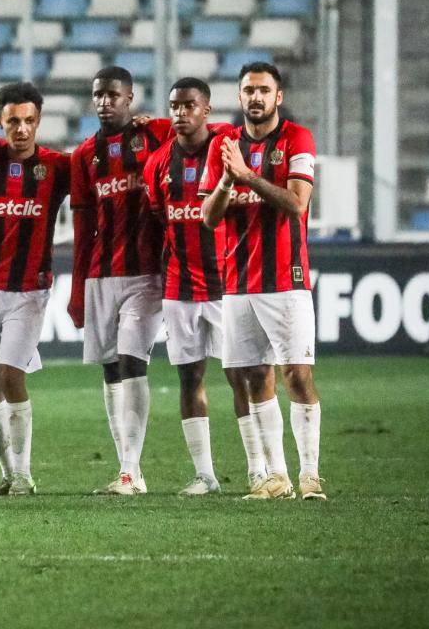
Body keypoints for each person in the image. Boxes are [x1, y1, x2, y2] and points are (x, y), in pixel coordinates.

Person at [200, 62, 326, 500]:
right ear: (239, 98)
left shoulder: (297, 139)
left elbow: (296, 203)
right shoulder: (224, 145)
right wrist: (223, 184)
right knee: (254, 377)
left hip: (286, 279)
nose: (255, 98)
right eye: (248, 91)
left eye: (264, 90)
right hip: (236, 282)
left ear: (278, 96)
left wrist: (249, 177)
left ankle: (309, 474)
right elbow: (207, 216)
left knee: (297, 375)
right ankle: (277, 477)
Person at [142, 78, 262, 496]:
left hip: (228, 283)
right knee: (189, 379)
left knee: (241, 375)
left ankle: (258, 469)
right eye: (174, 106)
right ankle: (205, 475)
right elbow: (160, 220)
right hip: (179, 286)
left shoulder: (228, 146)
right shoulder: (157, 163)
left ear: (206, 110)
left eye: (190, 105)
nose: (181, 113)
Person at [0, 82, 70, 495]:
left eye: (28, 121)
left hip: (30, 289)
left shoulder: (58, 167)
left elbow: (102, 174)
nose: (21, 129)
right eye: (12, 122)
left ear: (38, 122)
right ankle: (8, 471)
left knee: (10, 375)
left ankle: (23, 473)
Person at [69, 66, 173, 495]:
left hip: (146, 274)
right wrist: (77, 289)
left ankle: (130, 471)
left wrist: (163, 122)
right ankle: (128, 469)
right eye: (98, 95)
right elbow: (81, 227)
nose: (104, 102)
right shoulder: (83, 155)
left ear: (130, 98)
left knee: (133, 362)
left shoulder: (155, 138)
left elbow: (208, 133)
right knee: (111, 371)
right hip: (100, 275)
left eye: (113, 95)